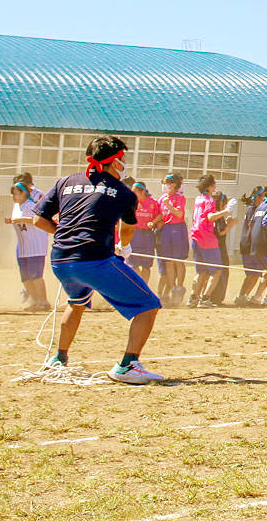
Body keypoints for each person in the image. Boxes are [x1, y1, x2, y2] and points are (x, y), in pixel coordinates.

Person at [32, 135, 164, 384]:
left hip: (60, 259)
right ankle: (127, 365)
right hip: (94, 259)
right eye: (123, 159)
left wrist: (62, 233)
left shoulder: (65, 182)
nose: (125, 164)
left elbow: (37, 219)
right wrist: (124, 247)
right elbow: (127, 228)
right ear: (114, 162)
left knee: (77, 301)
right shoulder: (123, 193)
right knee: (149, 306)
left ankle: (58, 359)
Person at [5, 179, 51, 311]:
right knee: (25, 278)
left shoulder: (30, 205)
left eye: (17, 193)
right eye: (13, 194)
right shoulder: (16, 206)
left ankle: (43, 302)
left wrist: (17, 220)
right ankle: (35, 301)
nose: (14, 196)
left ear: (24, 193)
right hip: (23, 247)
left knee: (36, 276)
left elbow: (36, 220)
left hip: (35, 246)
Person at [188, 175, 232, 308]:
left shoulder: (198, 199)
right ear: (208, 186)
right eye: (213, 185)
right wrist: (226, 211)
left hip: (195, 236)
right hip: (207, 239)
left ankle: (192, 298)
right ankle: (205, 299)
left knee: (201, 271)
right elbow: (210, 217)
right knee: (217, 271)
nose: (215, 187)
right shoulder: (209, 200)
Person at [238, 184, 267, 307]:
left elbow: (251, 224)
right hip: (266, 245)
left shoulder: (260, 207)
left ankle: (257, 296)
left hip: (255, 245)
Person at [156, 173, 188, 307]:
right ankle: (171, 288)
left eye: (167, 183)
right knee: (168, 262)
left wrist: (169, 205)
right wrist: (153, 222)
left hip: (177, 228)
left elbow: (179, 214)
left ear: (173, 184)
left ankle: (179, 288)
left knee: (178, 261)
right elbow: (159, 215)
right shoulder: (162, 198)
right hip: (166, 230)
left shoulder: (180, 198)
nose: (165, 186)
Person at [126, 181, 161, 282]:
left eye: (134, 192)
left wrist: (153, 222)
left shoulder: (152, 203)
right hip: (134, 234)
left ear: (142, 192)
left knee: (146, 265)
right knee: (133, 263)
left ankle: (145, 286)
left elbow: (160, 215)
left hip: (147, 236)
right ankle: (139, 284)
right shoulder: (131, 203)